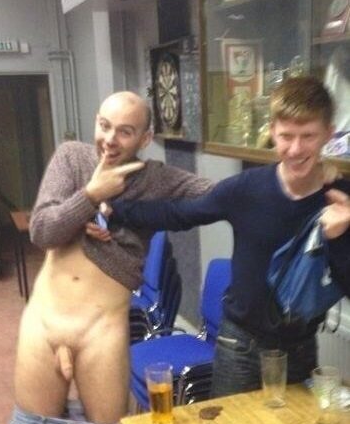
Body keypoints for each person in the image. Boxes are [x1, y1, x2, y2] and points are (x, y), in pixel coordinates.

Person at [8, 90, 212, 424]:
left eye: (124, 131)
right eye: (104, 125)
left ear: (145, 138)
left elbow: (217, 195)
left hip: (102, 331)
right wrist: (90, 196)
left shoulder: (156, 179)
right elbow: (42, 231)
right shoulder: (72, 159)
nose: (109, 139)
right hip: (44, 325)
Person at [109, 77, 350, 398]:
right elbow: (180, 214)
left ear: (328, 134)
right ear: (272, 132)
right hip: (240, 347)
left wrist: (338, 238)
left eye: (308, 136)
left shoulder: (341, 197)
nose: (295, 149)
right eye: (286, 136)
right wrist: (115, 210)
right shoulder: (246, 189)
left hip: (300, 349)